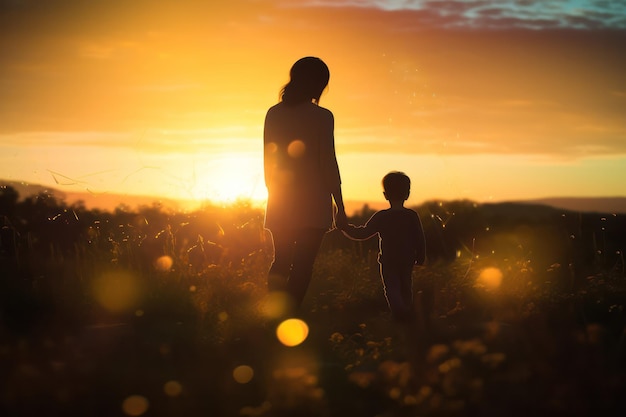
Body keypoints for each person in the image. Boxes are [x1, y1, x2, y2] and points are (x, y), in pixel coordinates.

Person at [263, 56, 347, 310]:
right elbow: (328, 162)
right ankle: (289, 316)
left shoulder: (274, 114)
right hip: (313, 202)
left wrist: (274, 193)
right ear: (318, 84)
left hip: (280, 199)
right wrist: (339, 206)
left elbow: (269, 160)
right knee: (302, 265)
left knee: (281, 260)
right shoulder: (322, 117)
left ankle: (275, 315)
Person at [340, 171, 426, 322]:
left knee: (391, 288)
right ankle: (405, 314)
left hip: (389, 260)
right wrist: (421, 256)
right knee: (406, 287)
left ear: (385, 195)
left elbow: (362, 234)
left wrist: (345, 228)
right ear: (407, 194)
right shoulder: (411, 216)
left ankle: (400, 313)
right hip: (407, 259)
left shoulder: (382, 217)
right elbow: (420, 238)